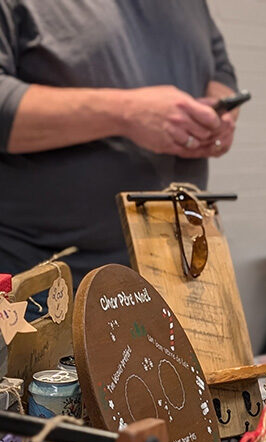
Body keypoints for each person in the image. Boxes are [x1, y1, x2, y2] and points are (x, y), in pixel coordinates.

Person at [0, 1, 239, 284]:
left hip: (180, 273)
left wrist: (219, 112)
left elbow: (221, 71)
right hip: (48, 286)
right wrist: (126, 114)